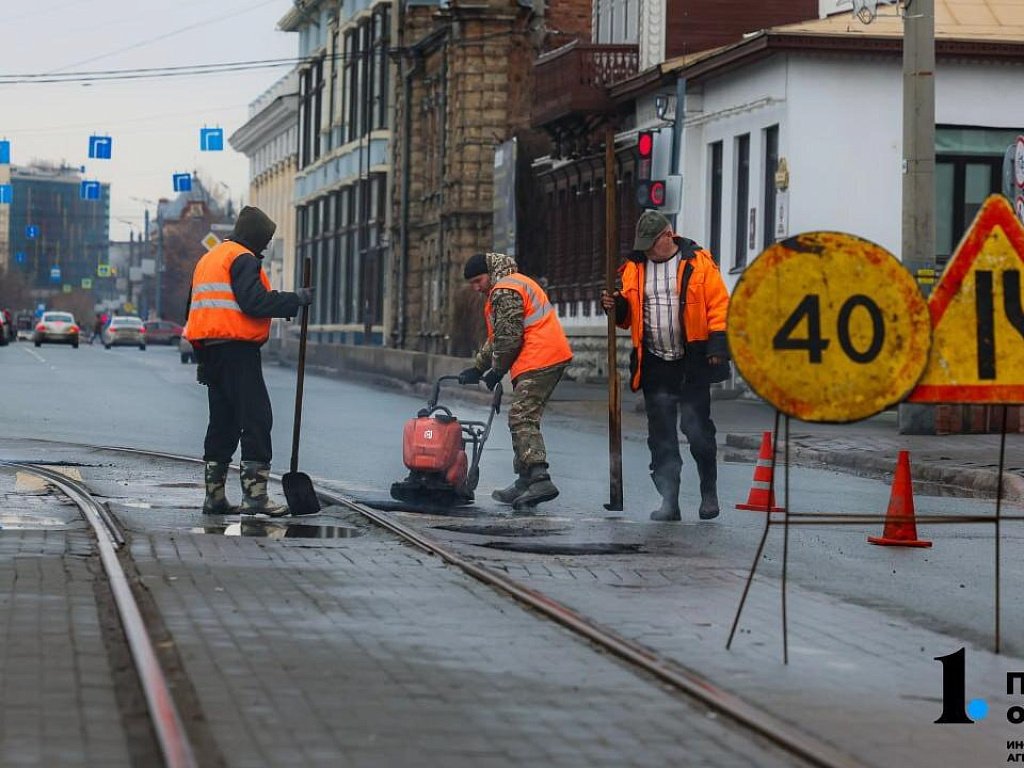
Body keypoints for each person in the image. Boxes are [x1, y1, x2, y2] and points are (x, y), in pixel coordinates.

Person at [601, 210, 730, 522]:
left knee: (697, 431)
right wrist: (616, 306)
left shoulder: (698, 263)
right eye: (643, 245)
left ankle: (708, 492)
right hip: (654, 361)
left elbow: (718, 305)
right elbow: (627, 316)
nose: (646, 250)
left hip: (691, 360)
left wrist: (718, 345)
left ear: (668, 235)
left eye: (651, 243)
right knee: (660, 436)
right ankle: (669, 500)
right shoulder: (633, 268)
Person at [185, 206, 314, 517]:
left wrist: (203, 359)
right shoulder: (242, 258)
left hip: (211, 351)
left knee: (223, 423)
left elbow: (194, 310)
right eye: (265, 239)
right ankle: (255, 497)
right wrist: (294, 299)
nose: (266, 245)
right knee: (256, 419)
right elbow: (253, 302)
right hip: (237, 351)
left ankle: (214, 498)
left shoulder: (209, 259)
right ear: (255, 236)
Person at [458, 252, 573, 511]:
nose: (476, 288)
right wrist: (478, 368)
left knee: (522, 417)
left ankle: (539, 478)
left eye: (478, 281)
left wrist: (497, 371)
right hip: (543, 355)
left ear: (490, 273)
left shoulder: (505, 290)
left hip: (541, 357)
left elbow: (509, 338)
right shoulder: (510, 284)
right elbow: (499, 337)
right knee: (521, 415)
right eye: (472, 284)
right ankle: (524, 481)